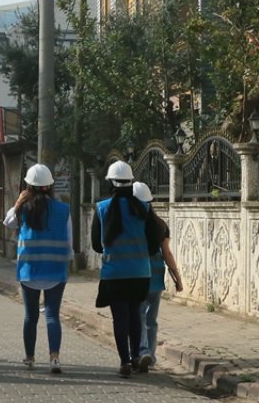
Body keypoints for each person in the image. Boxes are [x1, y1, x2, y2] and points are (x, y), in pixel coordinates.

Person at [91, 160, 160, 378]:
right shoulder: (143, 208)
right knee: (135, 317)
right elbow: (155, 238)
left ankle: (124, 362)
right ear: (131, 182)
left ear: (111, 182)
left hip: (114, 274)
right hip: (140, 273)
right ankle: (136, 356)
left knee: (119, 319)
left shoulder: (102, 208)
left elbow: (95, 245)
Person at [4, 164, 70, 374]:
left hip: (29, 272)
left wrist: (17, 202)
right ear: (50, 186)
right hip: (55, 270)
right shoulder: (63, 209)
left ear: (28, 187)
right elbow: (69, 241)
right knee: (52, 315)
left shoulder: (22, 209)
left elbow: (8, 224)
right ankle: (54, 358)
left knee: (30, 316)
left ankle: (30, 358)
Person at [132, 182, 183, 372]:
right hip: (156, 276)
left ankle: (143, 350)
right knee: (151, 319)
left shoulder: (132, 225)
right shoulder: (160, 224)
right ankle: (151, 357)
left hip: (138, 275)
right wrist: (177, 277)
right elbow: (167, 253)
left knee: (139, 317)